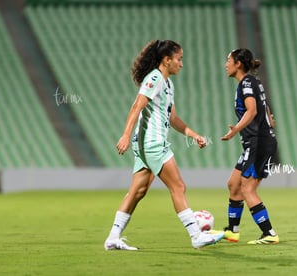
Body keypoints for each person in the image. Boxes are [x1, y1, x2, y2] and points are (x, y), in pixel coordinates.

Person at [104, 40, 224, 250]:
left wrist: (193, 134)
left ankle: (113, 237)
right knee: (178, 186)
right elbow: (136, 106)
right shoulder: (155, 78)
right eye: (179, 59)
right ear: (167, 60)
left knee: (137, 192)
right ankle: (196, 235)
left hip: (145, 144)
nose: (182, 64)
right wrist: (124, 135)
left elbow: (174, 118)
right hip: (153, 143)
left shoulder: (167, 83)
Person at [212, 48, 279, 245]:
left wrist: (235, 130)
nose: (226, 64)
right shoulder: (250, 83)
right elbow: (263, 107)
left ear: (238, 63)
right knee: (234, 184)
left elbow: (252, 110)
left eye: (228, 60)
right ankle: (233, 231)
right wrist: (268, 120)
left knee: (247, 188)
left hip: (259, 143)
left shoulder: (247, 82)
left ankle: (269, 233)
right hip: (254, 142)